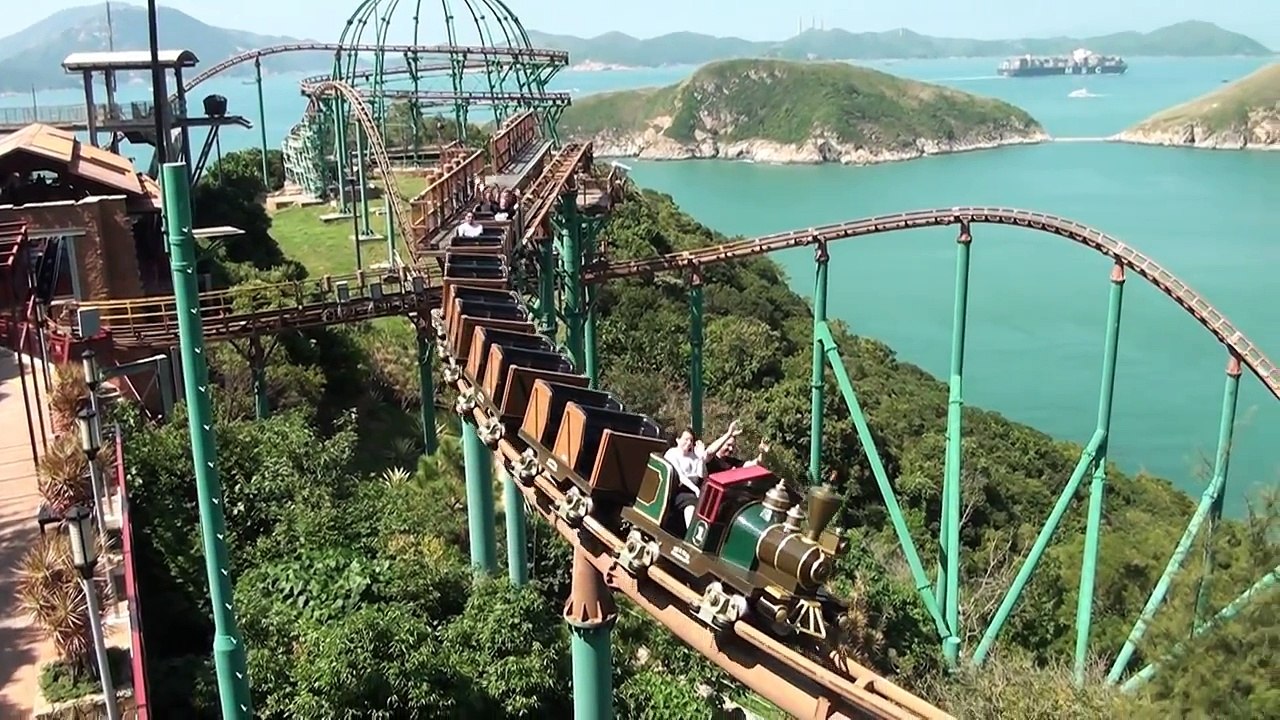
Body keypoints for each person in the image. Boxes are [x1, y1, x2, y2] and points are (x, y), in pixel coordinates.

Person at [663, 420, 741, 530]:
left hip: (697, 490)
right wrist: (695, 490)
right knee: (691, 506)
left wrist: (701, 460)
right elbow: (681, 476)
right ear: (678, 440)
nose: (689, 443)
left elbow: (702, 475)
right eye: (686, 439)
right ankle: (691, 534)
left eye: (691, 440)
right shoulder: (672, 453)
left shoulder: (694, 456)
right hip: (681, 491)